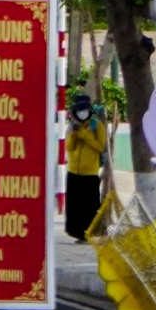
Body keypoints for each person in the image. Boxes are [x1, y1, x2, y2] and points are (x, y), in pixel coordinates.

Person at [65, 93, 106, 241]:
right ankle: (77, 233)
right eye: (79, 110)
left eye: (84, 110)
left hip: (89, 172)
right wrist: (74, 135)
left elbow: (100, 146)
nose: (82, 113)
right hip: (73, 171)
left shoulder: (96, 126)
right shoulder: (72, 126)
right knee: (75, 205)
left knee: (89, 205)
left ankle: (90, 232)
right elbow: (69, 147)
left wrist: (85, 135)